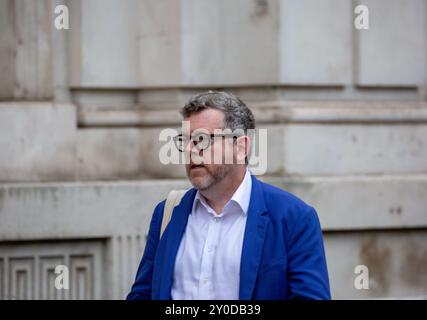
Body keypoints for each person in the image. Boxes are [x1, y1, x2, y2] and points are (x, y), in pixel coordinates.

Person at [127, 91, 330, 300]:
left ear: (240, 147)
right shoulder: (167, 213)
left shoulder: (293, 218)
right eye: (185, 140)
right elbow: (142, 294)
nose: (190, 150)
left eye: (202, 139)